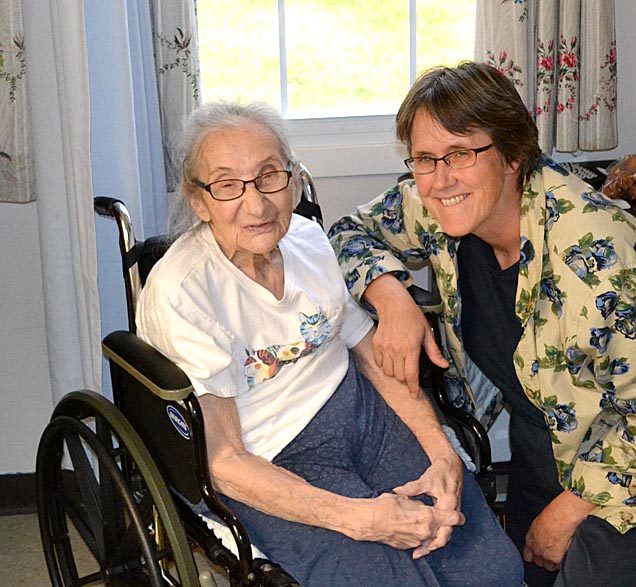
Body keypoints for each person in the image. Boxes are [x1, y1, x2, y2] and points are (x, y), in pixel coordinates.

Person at [329, 61, 636, 586]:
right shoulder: (434, 206)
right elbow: (347, 232)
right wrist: (390, 296)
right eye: (425, 159)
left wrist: (569, 509)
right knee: (519, 571)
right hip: (551, 436)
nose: (439, 179)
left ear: (513, 154)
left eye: (461, 153)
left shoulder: (600, 256)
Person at [136, 101, 523, 587]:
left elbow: (371, 356)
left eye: (269, 176)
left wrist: (441, 450)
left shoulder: (308, 239)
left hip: (361, 416)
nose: (256, 205)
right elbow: (225, 463)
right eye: (227, 185)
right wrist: (360, 518)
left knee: (493, 570)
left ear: (294, 180)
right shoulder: (185, 291)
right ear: (198, 200)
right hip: (272, 458)